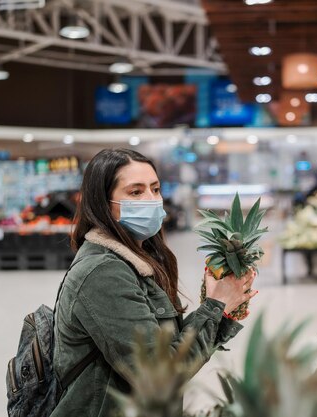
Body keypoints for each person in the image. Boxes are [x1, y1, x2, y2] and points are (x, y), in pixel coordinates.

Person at [51, 148, 257, 417]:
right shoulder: (104, 273)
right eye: (135, 192)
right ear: (103, 203)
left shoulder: (139, 260)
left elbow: (170, 347)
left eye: (155, 189)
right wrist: (215, 305)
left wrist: (223, 311)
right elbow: (162, 375)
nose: (152, 200)